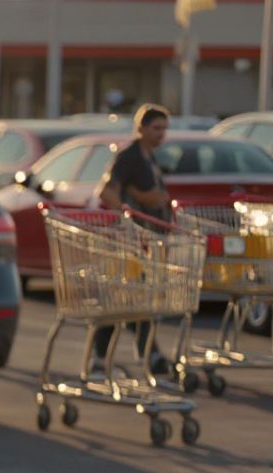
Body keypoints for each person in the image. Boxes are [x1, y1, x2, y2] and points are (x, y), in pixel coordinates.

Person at [91, 105, 173, 377]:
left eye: (164, 128)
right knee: (122, 299)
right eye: (155, 128)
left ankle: (150, 353)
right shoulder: (130, 157)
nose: (161, 134)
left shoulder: (148, 157)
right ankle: (102, 359)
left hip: (148, 241)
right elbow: (106, 192)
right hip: (130, 241)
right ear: (141, 128)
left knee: (139, 300)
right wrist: (131, 213)